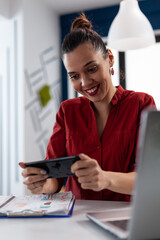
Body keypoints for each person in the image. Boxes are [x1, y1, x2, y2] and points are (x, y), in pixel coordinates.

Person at [19, 13, 156, 201]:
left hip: (124, 220)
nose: (85, 83)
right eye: (74, 76)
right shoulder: (67, 112)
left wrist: (105, 178)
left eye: (91, 69)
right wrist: (43, 184)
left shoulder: (142, 104)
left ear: (109, 58)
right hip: (77, 221)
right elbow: (54, 179)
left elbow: (150, 178)